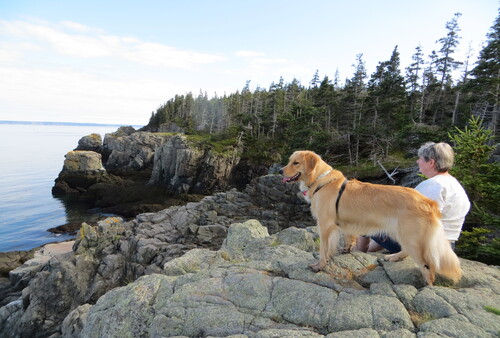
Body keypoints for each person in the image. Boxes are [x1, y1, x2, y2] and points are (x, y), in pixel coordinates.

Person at [356, 141, 471, 252]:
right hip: (446, 244)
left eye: (420, 158)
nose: (417, 161)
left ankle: (358, 253)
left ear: (431, 163)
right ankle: (368, 251)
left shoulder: (434, 185)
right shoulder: (454, 184)